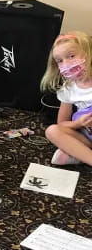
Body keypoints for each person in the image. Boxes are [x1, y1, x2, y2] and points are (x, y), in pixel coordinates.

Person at [41, 31, 92, 165]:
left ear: (88, 52)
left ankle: (77, 153)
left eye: (71, 56)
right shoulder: (68, 89)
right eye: (60, 60)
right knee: (52, 131)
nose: (66, 63)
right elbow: (62, 124)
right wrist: (79, 123)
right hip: (87, 135)